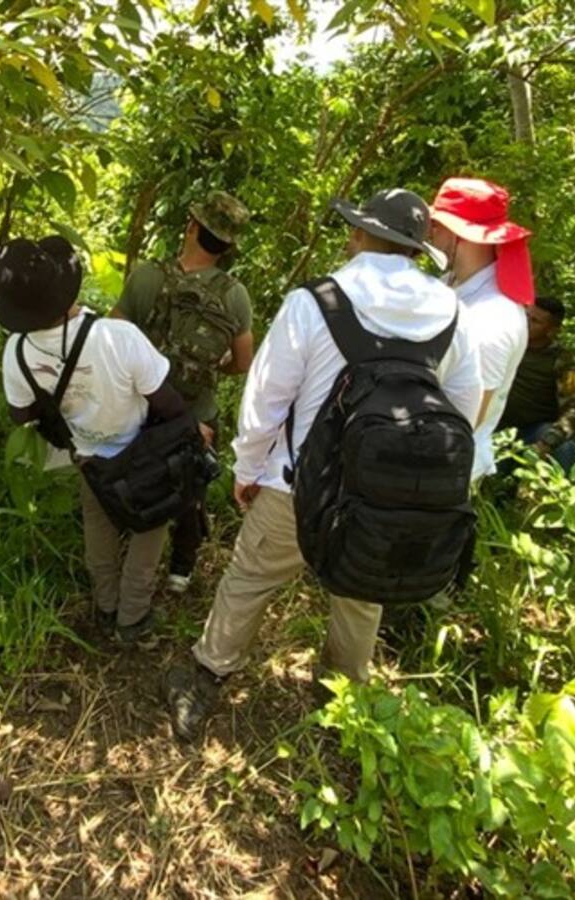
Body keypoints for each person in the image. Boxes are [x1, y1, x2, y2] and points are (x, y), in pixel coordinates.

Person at [163, 188, 483, 742]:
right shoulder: (451, 310)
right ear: (412, 249)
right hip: (383, 495)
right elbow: (466, 405)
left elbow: (266, 398)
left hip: (298, 484)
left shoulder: (316, 302)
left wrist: (248, 469)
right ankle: (342, 698)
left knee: (250, 577)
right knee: (361, 594)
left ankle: (208, 674)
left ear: (359, 235)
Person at [0, 236, 187, 644]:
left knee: (98, 531)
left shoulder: (18, 352)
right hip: (141, 453)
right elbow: (165, 400)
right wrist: (191, 429)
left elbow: (20, 414)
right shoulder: (119, 336)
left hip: (87, 457)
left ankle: (106, 606)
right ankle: (132, 619)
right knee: (148, 531)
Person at [113, 191, 254, 595]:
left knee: (136, 478)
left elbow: (114, 336)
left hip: (143, 407)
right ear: (227, 246)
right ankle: (180, 571)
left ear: (192, 227)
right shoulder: (234, 294)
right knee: (189, 489)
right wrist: (213, 368)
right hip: (197, 412)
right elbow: (243, 362)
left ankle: (132, 557)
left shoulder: (146, 276)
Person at [428, 177, 533, 481]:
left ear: (461, 234)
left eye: (438, 226)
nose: (431, 235)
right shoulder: (449, 286)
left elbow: (467, 419)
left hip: (442, 472)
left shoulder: (493, 317)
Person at [499, 294, 575, 472]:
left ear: (551, 330)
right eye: (526, 316)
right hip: (492, 425)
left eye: (535, 321)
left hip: (533, 431)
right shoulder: (503, 342)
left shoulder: (562, 360)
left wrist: (549, 441)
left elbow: (574, 409)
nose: (526, 323)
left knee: (565, 449)